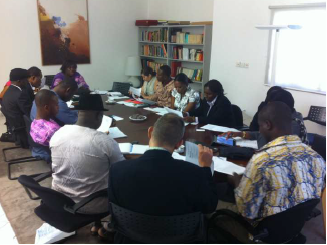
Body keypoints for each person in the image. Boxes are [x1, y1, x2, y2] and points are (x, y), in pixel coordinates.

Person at [215, 102, 326, 243]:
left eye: (260, 126)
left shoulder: (261, 160)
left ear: (267, 124)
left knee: (212, 207)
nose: (259, 131)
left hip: (259, 233)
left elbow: (247, 212)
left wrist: (236, 181)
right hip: (291, 230)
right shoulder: (318, 158)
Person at [108, 113, 218, 243]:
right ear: (179, 144)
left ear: (150, 132)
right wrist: (205, 168)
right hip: (180, 238)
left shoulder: (117, 170)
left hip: (131, 237)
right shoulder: (195, 173)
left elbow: (114, 210)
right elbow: (209, 206)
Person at [50, 93, 125, 232]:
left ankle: (97, 225)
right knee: (127, 185)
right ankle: (112, 228)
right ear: (99, 115)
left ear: (79, 112)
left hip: (59, 198)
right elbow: (122, 172)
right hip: (90, 204)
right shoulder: (105, 141)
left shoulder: (58, 132)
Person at [225, 89, 308, 148]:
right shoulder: (285, 117)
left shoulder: (291, 125)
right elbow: (261, 134)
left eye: (271, 105)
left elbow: (273, 148)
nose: (268, 107)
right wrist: (241, 134)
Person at [1, 68, 31, 148]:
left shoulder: (8, 92)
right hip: (23, 129)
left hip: (15, 127)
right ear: (19, 81)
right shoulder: (20, 94)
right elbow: (29, 113)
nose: (28, 82)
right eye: (26, 79)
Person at [30, 90, 60, 162]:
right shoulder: (52, 130)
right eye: (56, 105)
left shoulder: (34, 122)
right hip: (54, 157)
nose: (58, 107)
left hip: (38, 151)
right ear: (46, 108)